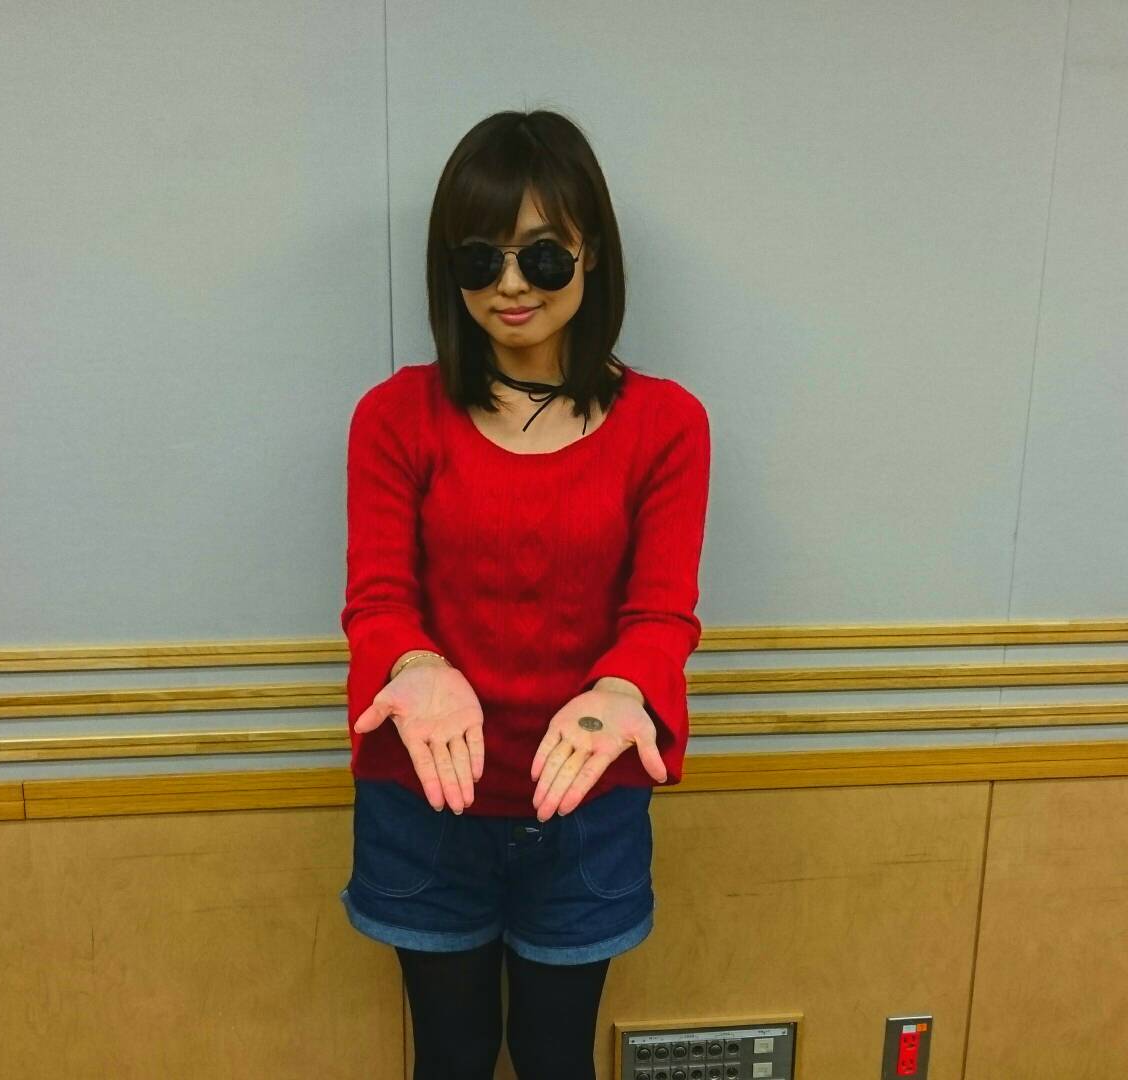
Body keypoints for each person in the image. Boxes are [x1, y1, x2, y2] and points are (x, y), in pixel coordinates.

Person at [336, 109, 711, 1080]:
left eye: (542, 256)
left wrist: (622, 690)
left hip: (585, 807)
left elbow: (661, 614)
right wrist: (416, 663)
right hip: (427, 802)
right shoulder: (394, 418)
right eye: (480, 258)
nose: (510, 285)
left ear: (593, 257)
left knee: (554, 1058)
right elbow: (378, 600)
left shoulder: (666, 425)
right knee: (452, 1058)